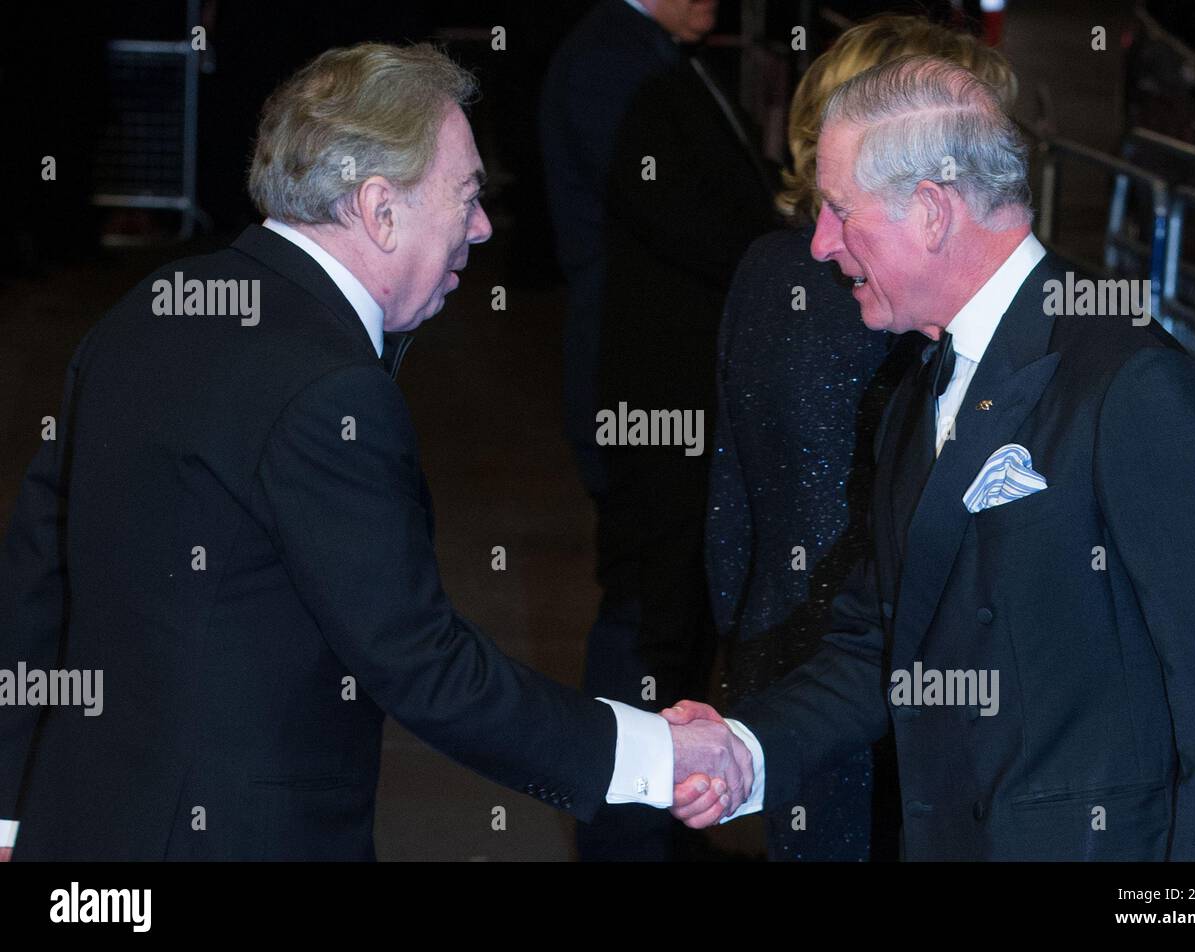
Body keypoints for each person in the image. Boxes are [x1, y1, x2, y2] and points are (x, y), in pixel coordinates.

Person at [0, 42, 749, 861]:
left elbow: (38, 568)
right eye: (466, 195)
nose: (485, 224)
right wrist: (658, 755)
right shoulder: (330, 392)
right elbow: (424, 665)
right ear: (379, 208)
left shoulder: (150, 307)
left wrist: (10, 814)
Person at [669, 54, 1195, 858]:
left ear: (931, 212)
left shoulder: (1134, 387)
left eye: (837, 209)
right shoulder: (923, 383)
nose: (822, 243)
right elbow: (882, 642)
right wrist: (746, 751)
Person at [709, 15, 1018, 862]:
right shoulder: (903, 295)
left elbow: (730, 498)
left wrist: (741, 644)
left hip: (781, 650)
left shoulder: (763, 272)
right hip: (899, 667)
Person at [542, 0, 775, 860]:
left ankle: (659, 825)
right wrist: (789, 256)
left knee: (676, 610)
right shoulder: (610, 57)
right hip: (640, 392)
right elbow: (677, 211)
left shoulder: (645, 54)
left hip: (670, 388)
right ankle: (625, 839)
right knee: (647, 610)